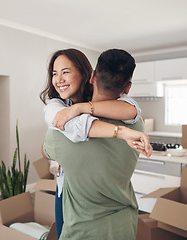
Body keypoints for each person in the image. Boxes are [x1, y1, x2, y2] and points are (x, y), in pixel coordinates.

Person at [40, 48, 151, 239]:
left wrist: (81, 108)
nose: (59, 79)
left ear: (90, 76)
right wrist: (121, 132)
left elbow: (47, 149)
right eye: (54, 74)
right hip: (123, 215)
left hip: (80, 220)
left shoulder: (60, 133)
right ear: (127, 87)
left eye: (65, 72)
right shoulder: (136, 125)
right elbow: (133, 111)